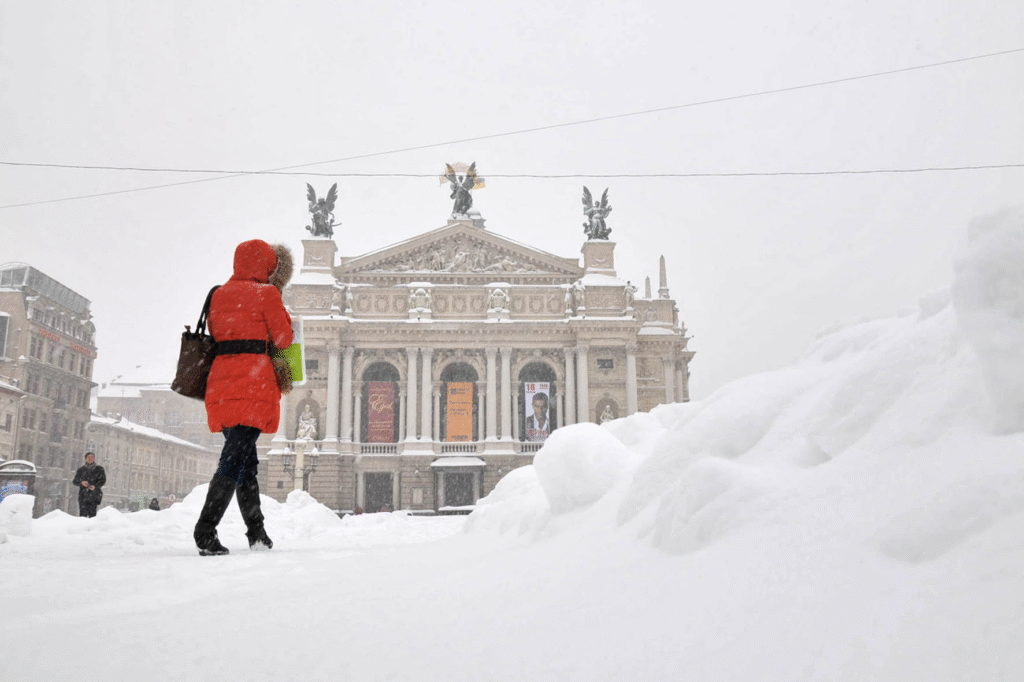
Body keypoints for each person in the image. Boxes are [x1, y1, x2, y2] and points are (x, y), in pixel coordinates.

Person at [193, 239, 294, 556]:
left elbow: (218, 331)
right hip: (253, 386)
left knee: (246, 464)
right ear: (266, 265)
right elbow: (283, 338)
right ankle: (205, 530)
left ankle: (257, 533)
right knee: (233, 461)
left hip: (222, 386)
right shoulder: (267, 294)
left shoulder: (218, 293)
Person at [72, 452, 106, 518]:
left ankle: (92, 527)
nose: (90, 459)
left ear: (94, 459)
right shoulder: (81, 470)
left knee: (92, 516)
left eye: (92, 457)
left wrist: (95, 486)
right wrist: (81, 482)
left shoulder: (99, 469)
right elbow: (75, 481)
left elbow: (103, 480)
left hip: (94, 496)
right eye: (88, 457)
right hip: (83, 496)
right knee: (82, 516)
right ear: (85, 459)